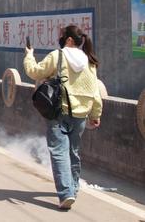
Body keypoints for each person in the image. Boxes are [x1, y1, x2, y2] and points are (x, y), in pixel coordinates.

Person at [24, 25, 102, 210]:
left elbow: (35, 72)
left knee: (59, 152)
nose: (58, 38)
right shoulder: (89, 61)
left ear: (68, 40)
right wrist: (96, 113)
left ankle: (66, 194)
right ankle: (73, 188)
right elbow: (95, 90)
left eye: (61, 36)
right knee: (73, 152)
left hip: (59, 112)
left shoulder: (57, 56)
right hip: (81, 114)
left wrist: (29, 55)